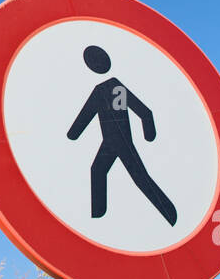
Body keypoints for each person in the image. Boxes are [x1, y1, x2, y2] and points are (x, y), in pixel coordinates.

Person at [66, 45, 177, 226]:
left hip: (122, 141)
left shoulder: (110, 88)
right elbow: (86, 116)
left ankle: (169, 214)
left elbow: (142, 111)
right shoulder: (109, 88)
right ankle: (97, 218)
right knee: (98, 170)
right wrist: (73, 134)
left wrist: (73, 135)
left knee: (139, 177)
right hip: (109, 142)